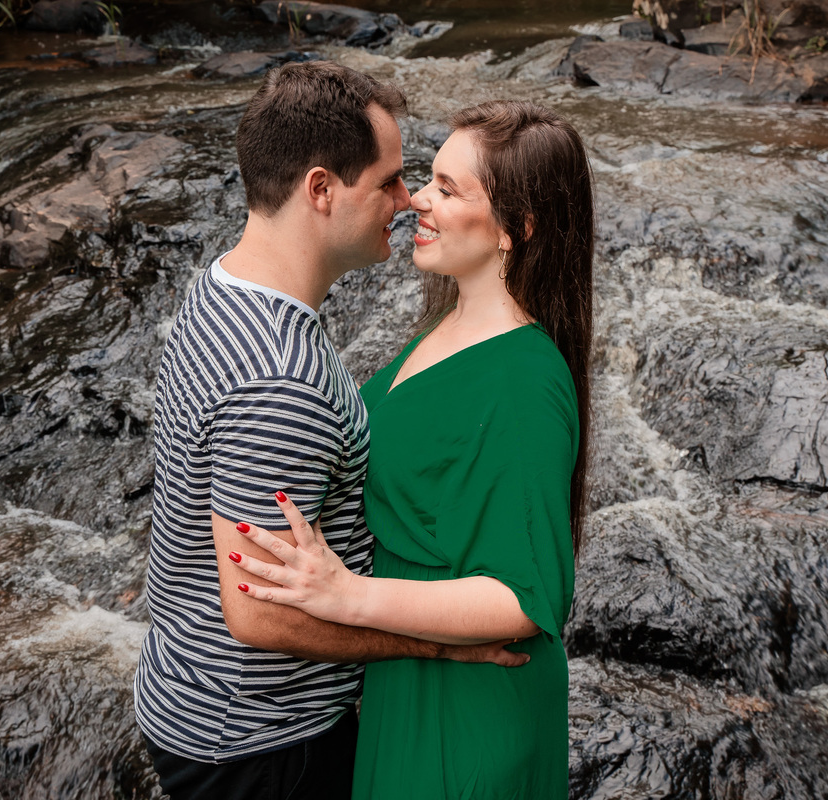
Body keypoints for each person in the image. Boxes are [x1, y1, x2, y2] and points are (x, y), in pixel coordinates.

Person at [133, 63, 527, 800]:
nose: (407, 201)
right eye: (388, 182)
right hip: (261, 742)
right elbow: (259, 614)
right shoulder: (279, 381)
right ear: (320, 189)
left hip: (194, 694)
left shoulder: (223, 285)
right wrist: (434, 645)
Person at [231, 100, 595, 798]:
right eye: (431, 178)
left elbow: (526, 598)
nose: (417, 200)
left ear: (516, 228)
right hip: (408, 682)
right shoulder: (445, 324)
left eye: (449, 190)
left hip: (470, 714)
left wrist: (348, 596)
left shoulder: (525, 381)